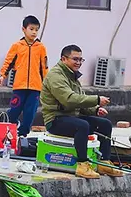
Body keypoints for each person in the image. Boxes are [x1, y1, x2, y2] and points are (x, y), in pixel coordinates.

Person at [39, 44, 123, 179]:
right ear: (64, 59)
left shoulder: (72, 76)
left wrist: (95, 110)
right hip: (55, 120)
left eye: (80, 60)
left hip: (72, 117)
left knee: (105, 124)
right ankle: (82, 165)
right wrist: (96, 99)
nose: (78, 63)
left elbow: (81, 102)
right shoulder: (55, 76)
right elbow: (69, 100)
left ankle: (104, 163)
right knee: (82, 125)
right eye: (75, 59)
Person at [0, 15, 49, 154]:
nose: (34, 32)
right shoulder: (17, 46)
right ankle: (10, 130)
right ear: (24, 29)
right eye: (31, 29)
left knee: (29, 113)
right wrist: (3, 74)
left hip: (35, 87)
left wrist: (47, 83)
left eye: (36, 30)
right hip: (19, 86)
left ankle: (22, 135)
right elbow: (9, 61)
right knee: (14, 109)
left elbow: (44, 67)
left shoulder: (41, 47)